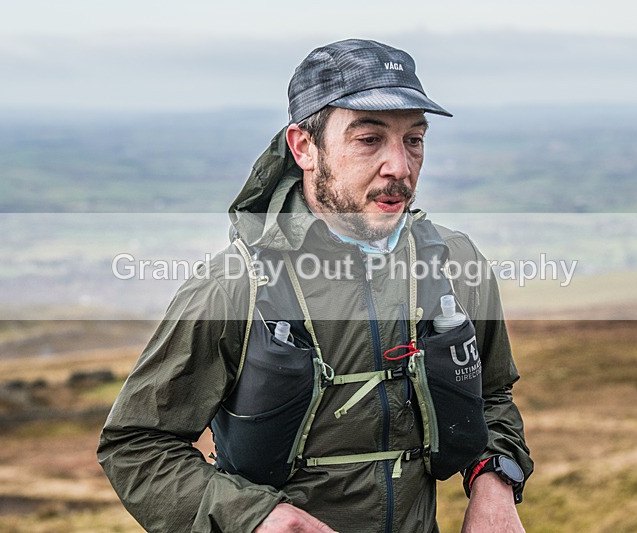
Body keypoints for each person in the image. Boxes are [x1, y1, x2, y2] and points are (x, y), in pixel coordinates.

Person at [98, 39, 532, 533]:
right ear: (304, 147)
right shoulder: (236, 288)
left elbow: (492, 397)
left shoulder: (455, 264)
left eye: (414, 139)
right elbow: (135, 446)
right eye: (369, 139)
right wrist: (256, 517)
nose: (400, 166)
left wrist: (493, 483)